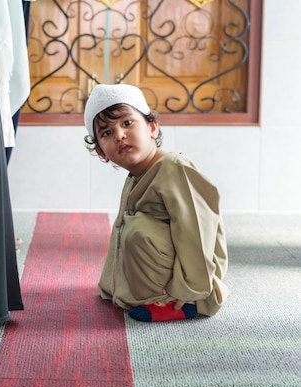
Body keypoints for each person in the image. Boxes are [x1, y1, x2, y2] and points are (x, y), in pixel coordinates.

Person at [83, 83, 230, 322]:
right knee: (127, 225)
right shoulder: (138, 173)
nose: (119, 134)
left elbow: (198, 231)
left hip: (195, 279)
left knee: (140, 230)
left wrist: (192, 288)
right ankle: (135, 291)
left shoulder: (174, 168)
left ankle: (178, 303)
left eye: (127, 123)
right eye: (107, 133)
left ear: (152, 127)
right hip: (167, 262)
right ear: (101, 152)